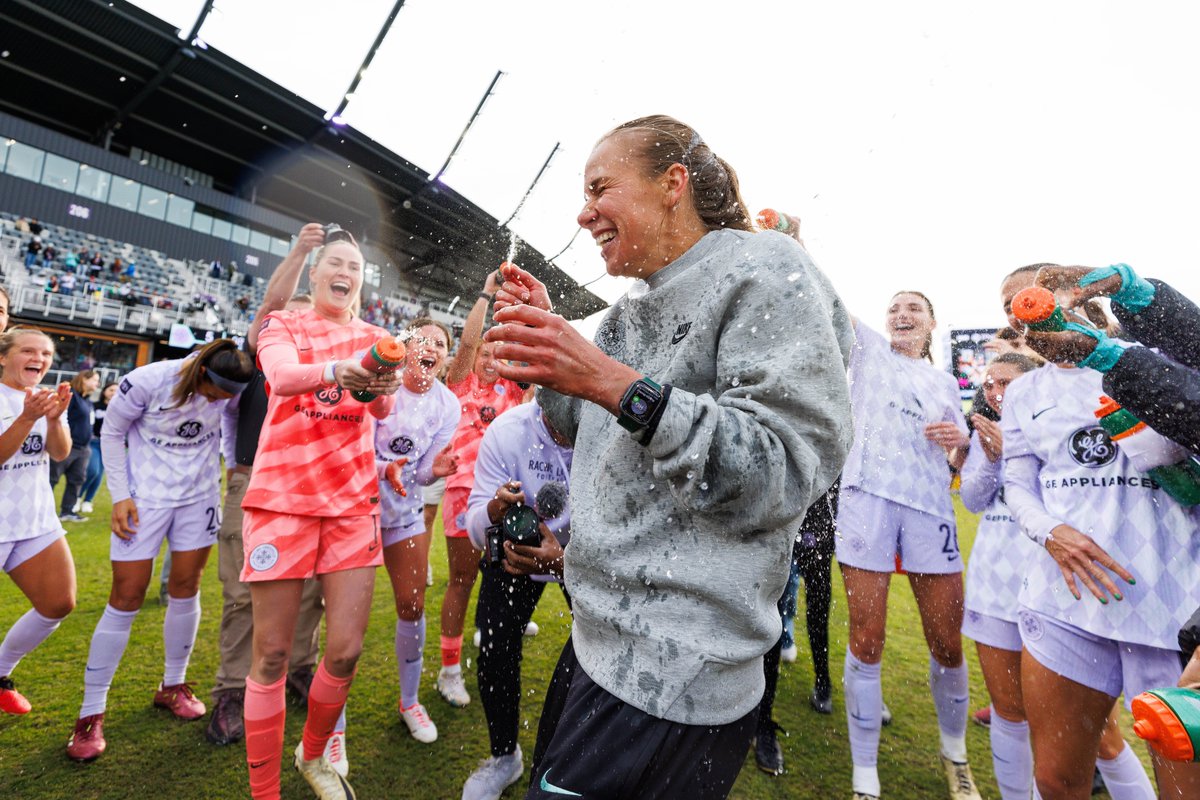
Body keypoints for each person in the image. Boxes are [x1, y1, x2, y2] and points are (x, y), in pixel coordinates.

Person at [484, 114, 852, 799]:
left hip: (677, 667)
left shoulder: (768, 268)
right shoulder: (632, 307)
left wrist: (604, 377)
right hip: (599, 643)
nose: (583, 211)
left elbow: (782, 471)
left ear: (671, 184)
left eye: (600, 186)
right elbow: (582, 428)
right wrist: (549, 345)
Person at [997, 264, 1200, 799]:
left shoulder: (1153, 363)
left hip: (1171, 605)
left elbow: (1187, 461)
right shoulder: (1024, 392)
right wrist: (1050, 531)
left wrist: (1139, 430)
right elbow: (1017, 483)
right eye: (1011, 307)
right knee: (1058, 780)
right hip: (1066, 599)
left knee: (1184, 788)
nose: (1026, 312)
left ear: (1073, 296)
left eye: (1036, 297)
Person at [238, 227, 400, 800]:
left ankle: (313, 756)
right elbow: (281, 378)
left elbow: (381, 405)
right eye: (336, 262)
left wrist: (378, 382)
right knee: (275, 652)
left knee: (346, 650)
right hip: (283, 502)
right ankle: (265, 791)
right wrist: (338, 371)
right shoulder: (284, 324)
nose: (346, 273)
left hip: (353, 505)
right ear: (314, 272)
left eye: (355, 267)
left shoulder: (375, 335)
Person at [65, 338, 253, 762]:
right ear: (202, 372)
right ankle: (90, 712)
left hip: (198, 499)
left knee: (186, 588)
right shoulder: (149, 380)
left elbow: (229, 432)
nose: (221, 401)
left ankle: (172, 684)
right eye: (217, 393)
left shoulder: (229, 391)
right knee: (126, 597)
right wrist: (120, 495)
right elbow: (111, 432)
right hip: (144, 500)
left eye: (229, 397)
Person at [835, 289, 980, 800]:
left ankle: (955, 755)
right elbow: (829, 299)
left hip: (928, 507)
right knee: (866, 640)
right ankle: (865, 773)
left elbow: (963, 456)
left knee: (947, 642)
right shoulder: (869, 351)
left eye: (913, 308)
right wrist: (793, 237)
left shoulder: (945, 382)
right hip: (866, 498)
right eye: (894, 307)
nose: (901, 314)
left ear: (932, 324)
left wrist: (958, 445)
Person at [206, 223, 328, 757]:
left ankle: (299, 670)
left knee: (308, 594)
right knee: (242, 596)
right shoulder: (268, 355)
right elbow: (271, 307)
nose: (299, 321)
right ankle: (231, 691)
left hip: (314, 486)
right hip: (255, 479)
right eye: (293, 315)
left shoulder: (327, 359)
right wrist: (302, 252)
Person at [460, 401, 573, 800]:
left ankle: (580, 761)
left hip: (584, 556)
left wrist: (566, 562)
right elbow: (474, 526)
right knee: (495, 651)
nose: (565, 432)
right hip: (513, 555)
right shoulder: (508, 431)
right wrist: (495, 509)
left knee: (598, 652)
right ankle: (504, 756)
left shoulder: (609, 427)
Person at [436, 270, 527, 709]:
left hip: (504, 499)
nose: (488, 357)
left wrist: (518, 304)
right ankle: (449, 669)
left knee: (499, 573)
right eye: (483, 352)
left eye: (496, 352)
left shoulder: (512, 389)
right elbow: (469, 342)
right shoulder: (461, 384)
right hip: (462, 494)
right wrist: (487, 293)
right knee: (461, 579)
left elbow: (525, 356)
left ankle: (483, 629)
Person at [373, 317, 461, 744]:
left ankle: (410, 701)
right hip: (355, 509)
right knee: (339, 617)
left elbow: (422, 473)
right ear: (404, 347)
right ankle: (331, 722)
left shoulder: (448, 405)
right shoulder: (380, 386)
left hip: (403, 512)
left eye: (440, 343)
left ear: (445, 357)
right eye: (423, 339)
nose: (432, 347)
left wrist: (434, 471)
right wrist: (380, 468)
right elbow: (347, 449)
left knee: (411, 604)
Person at [0, 327, 75, 715]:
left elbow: (60, 454)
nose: (40, 359)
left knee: (58, 603)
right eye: (28, 351)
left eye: (46, 353)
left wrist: (55, 420)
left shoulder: (42, 398)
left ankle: (0, 674)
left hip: (34, 518)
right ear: (2, 356)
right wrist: (29, 418)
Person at [754, 482, 841, 776]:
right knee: (773, 618)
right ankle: (762, 722)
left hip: (821, 512)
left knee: (818, 606)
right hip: (783, 511)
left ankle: (823, 681)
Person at [49, 369, 98, 523]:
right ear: (84, 379)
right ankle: (44, 512)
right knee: (51, 479)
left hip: (83, 449)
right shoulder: (72, 397)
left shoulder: (87, 400)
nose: (97, 384)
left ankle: (67, 511)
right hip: (68, 446)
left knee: (77, 480)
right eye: (95, 380)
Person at [78, 381, 118, 514]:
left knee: (100, 474)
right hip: (94, 442)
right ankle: (78, 497)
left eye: (117, 390)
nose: (113, 393)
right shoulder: (95, 406)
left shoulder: (121, 409)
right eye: (111, 390)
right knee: (92, 471)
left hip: (111, 445)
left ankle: (88, 501)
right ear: (104, 391)